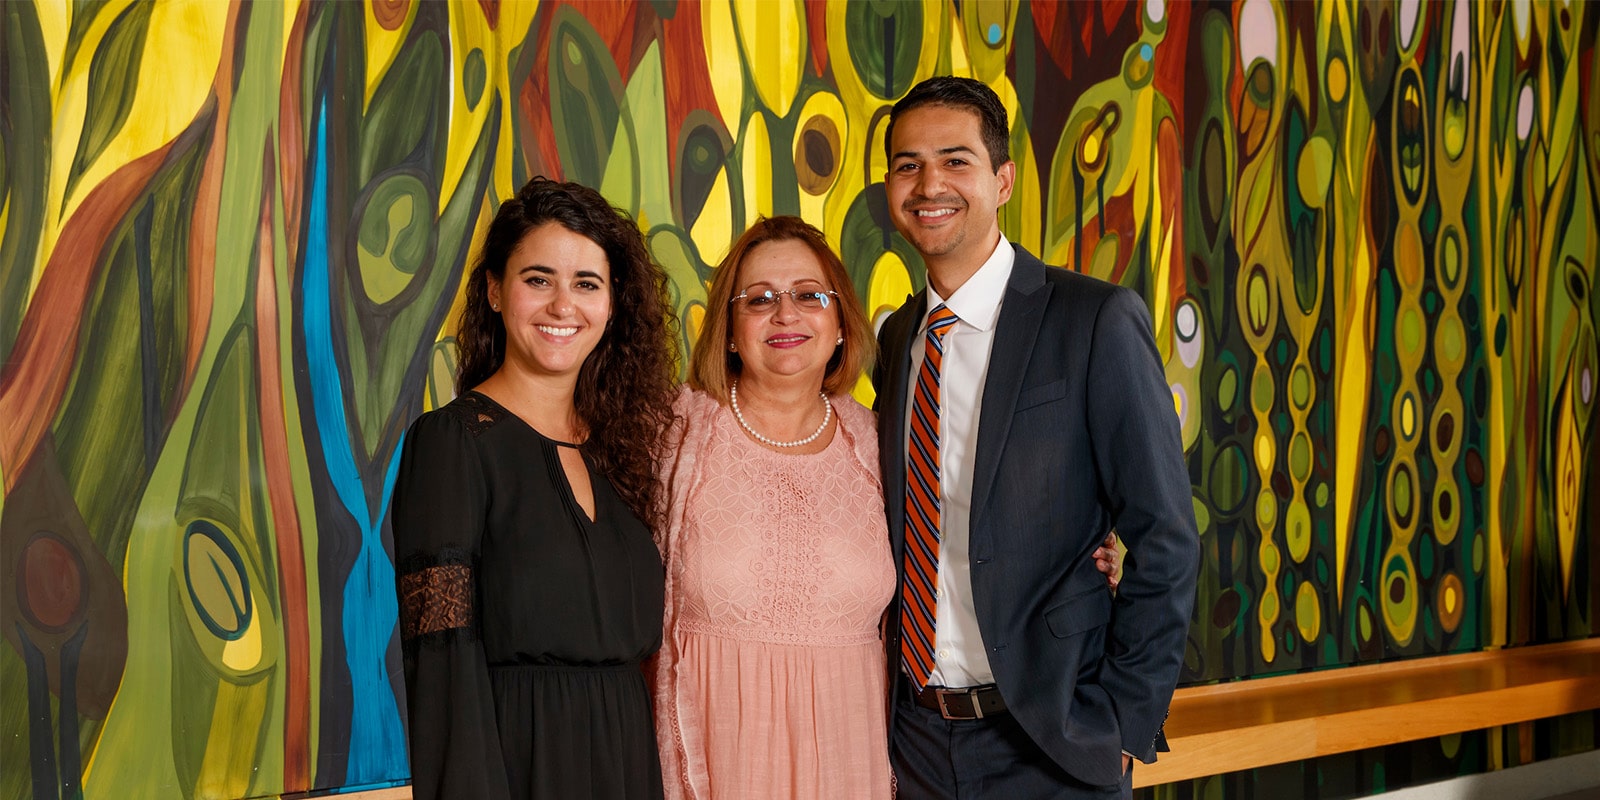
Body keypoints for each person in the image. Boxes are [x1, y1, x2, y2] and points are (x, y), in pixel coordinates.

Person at [872, 77, 1200, 799]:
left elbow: (1167, 536)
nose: (929, 183)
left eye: (956, 160)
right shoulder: (898, 340)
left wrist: (1120, 724)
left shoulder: (1094, 321)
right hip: (915, 744)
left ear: (1003, 180)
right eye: (906, 164)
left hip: (1053, 745)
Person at [391, 177, 678, 799]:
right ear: (495, 290)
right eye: (538, 279)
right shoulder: (451, 444)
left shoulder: (623, 448)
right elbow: (439, 662)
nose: (562, 306)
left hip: (627, 764)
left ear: (612, 302)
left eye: (586, 284)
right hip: (518, 766)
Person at [650, 216, 895, 799]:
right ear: (730, 332)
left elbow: (968, 543)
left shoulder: (883, 445)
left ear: (839, 324)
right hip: (714, 769)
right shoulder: (671, 432)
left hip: (849, 766)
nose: (786, 314)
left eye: (810, 296)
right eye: (759, 299)